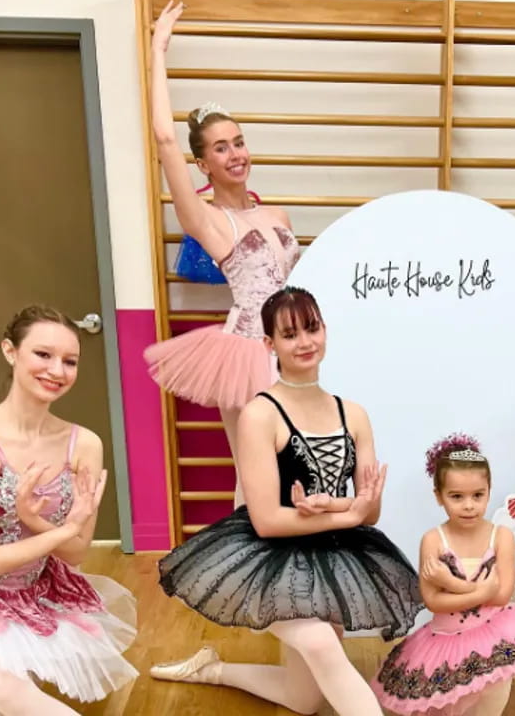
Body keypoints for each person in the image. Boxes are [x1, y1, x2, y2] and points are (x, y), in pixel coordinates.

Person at [150, 287, 422, 716]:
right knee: (319, 644)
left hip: (331, 556)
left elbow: (370, 513)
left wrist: (345, 509)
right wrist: (346, 512)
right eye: (290, 334)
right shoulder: (261, 414)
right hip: (269, 557)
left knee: (304, 700)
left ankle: (213, 670)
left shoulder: (353, 414)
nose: (305, 342)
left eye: (312, 328)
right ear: (269, 345)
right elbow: (268, 522)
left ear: (325, 331)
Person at [0, 305, 136, 714]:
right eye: (43, 355)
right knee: (7, 693)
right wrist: (56, 530)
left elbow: (76, 553)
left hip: (35, 594)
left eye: (70, 361)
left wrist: (34, 520)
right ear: (10, 351)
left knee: (3, 704)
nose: (57, 370)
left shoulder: (85, 444)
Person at [144, 0, 299, 501]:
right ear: (203, 163)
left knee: (299, 467)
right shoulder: (207, 220)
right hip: (248, 352)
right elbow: (165, 139)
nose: (235, 154)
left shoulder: (277, 216)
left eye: (239, 142)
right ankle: (246, 577)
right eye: (220, 147)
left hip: (294, 345)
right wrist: (158, 49)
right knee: (255, 474)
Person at [372, 433, 515, 715]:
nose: (469, 505)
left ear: (489, 490)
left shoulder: (500, 536)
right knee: (452, 701)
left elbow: (501, 596)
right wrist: (480, 592)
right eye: (456, 496)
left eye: (478, 495)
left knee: (494, 686)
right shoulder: (433, 540)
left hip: (493, 630)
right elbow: (433, 602)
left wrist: (451, 584)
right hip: (447, 636)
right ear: (438, 496)